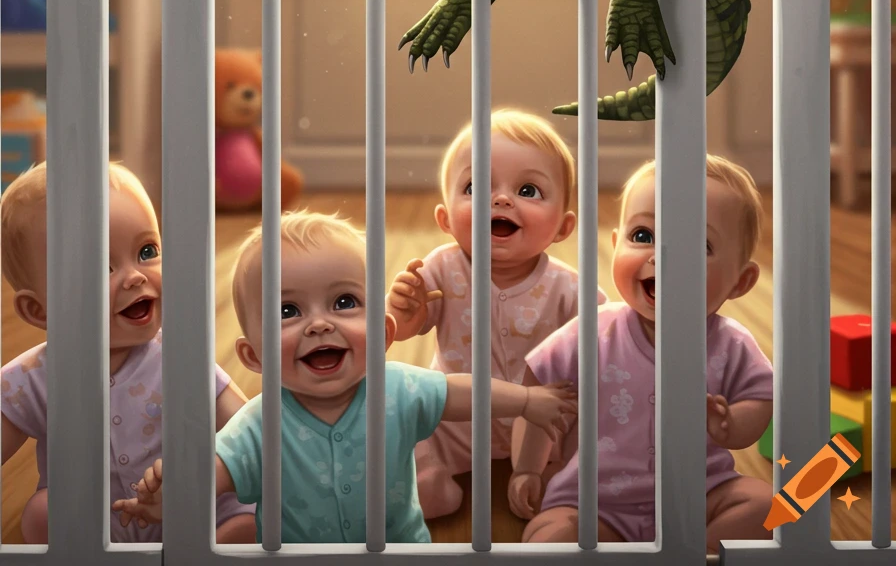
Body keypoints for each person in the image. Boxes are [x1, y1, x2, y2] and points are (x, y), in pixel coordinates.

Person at [113, 208, 577, 543]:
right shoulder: (260, 422)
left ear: (383, 330)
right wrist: (169, 497)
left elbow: (461, 392)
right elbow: (217, 469)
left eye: (343, 303)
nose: (320, 324)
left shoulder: (397, 388)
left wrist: (527, 402)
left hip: (402, 550)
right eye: (288, 310)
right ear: (252, 356)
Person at [511, 155, 773, 551]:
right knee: (553, 535)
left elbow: (759, 398)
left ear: (741, 280)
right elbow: (538, 391)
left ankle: (695, 551)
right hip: (594, 502)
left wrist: (732, 424)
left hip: (700, 494)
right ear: (616, 244)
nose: (661, 255)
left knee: (766, 505)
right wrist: (529, 467)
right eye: (643, 236)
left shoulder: (732, 343)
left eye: (697, 244)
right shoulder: (592, 331)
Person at [0, 161, 256, 543]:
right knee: (42, 514)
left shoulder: (179, 354)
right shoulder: (33, 378)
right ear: (40, 310)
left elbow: (245, 426)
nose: (135, 276)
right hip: (100, 519)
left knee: (248, 516)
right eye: (102, 268)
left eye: (147, 250)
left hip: (192, 505)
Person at [387, 107, 605, 519]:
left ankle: (560, 474)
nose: (501, 199)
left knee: (592, 421)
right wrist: (403, 309)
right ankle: (426, 475)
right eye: (475, 187)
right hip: (456, 421)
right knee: (403, 416)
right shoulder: (441, 267)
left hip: (544, 421)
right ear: (445, 219)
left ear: (563, 226)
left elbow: (605, 348)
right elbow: (400, 331)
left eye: (528, 190)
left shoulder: (571, 290)